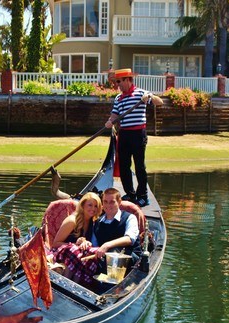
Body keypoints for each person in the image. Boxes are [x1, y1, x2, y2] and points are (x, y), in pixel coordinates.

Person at [105, 68, 163, 208]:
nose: (117, 84)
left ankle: (143, 196)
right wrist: (109, 121)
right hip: (124, 134)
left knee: (139, 166)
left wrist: (149, 98)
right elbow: (115, 114)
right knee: (124, 166)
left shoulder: (141, 93)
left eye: (119, 81)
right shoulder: (119, 98)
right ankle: (130, 194)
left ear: (128, 80)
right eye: (116, 81)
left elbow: (159, 101)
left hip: (138, 134)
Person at [50, 192, 102, 287]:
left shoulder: (92, 222)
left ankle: (78, 286)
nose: (93, 209)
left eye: (96, 206)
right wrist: (74, 244)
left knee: (92, 252)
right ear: (82, 205)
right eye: (90, 205)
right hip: (60, 252)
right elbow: (55, 244)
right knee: (73, 250)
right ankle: (65, 286)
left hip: (76, 255)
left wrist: (85, 242)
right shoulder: (72, 221)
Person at [92, 188, 141, 267]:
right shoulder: (97, 222)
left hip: (130, 258)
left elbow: (129, 239)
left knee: (113, 252)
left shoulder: (129, 218)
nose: (108, 205)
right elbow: (94, 245)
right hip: (105, 260)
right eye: (105, 202)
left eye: (112, 202)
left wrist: (107, 245)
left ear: (119, 202)